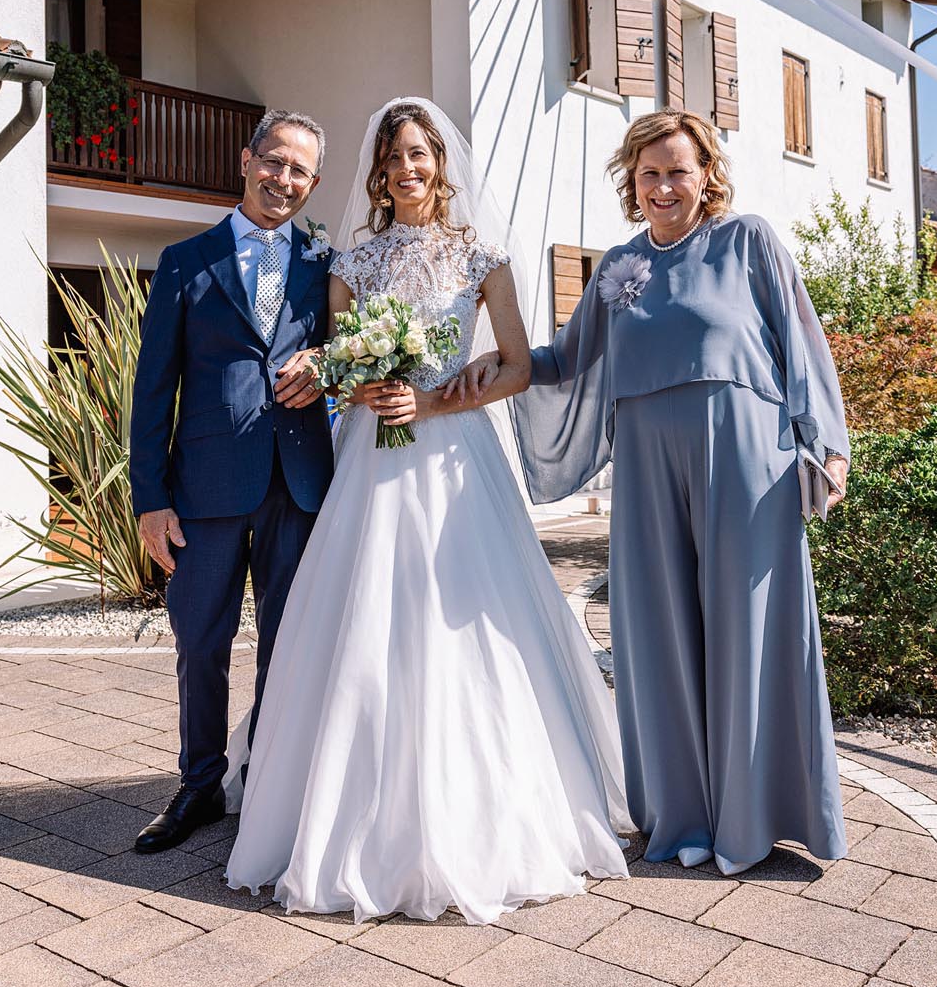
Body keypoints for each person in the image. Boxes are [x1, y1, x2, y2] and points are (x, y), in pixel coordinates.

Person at [223, 98, 631, 924]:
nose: (408, 168)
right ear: (378, 170)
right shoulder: (350, 262)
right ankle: (336, 811)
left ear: (441, 163)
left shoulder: (482, 257)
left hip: (455, 460)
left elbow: (516, 365)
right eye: (394, 156)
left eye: (421, 154)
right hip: (370, 464)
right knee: (362, 618)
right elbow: (335, 370)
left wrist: (437, 402)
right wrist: (361, 383)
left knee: (466, 622)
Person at [462, 109, 850, 877]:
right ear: (630, 182)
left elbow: (802, 342)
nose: (665, 186)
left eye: (678, 170)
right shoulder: (616, 267)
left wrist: (827, 447)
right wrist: (487, 364)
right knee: (657, 635)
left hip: (747, 457)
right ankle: (683, 819)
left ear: (707, 174)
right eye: (650, 173)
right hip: (644, 465)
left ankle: (754, 818)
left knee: (749, 628)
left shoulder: (750, 242)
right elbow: (567, 359)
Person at [129, 109, 335, 853]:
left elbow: (355, 356)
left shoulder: (326, 263)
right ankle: (198, 787)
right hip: (205, 488)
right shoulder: (186, 260)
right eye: (274, 162)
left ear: (314, 183)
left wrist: (327, 366)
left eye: (300, 171)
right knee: (201, 641)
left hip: (301, 483)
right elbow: (153, 388)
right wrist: (150, 498)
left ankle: (276, 784)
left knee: (290, 642)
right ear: (247, 160)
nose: (284, 179)